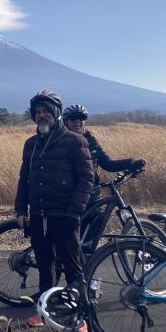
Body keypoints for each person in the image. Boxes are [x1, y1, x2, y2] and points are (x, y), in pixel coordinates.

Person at [14, 90, 94, 329]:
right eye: (37, 112)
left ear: (57, 113)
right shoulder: (31, 144)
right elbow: (24, 178)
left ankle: (81, 317)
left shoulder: (75, 141)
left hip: (65, 214)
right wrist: (21, 210)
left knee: (72, 268)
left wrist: (75, 211)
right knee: (45, 264)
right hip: (39, 214)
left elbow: (86, 179)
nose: (42, 115)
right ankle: (44, 312)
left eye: (46, 111)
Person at [63, 104, 146, 253]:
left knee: (96, 225)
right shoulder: (61, 141)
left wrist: (131, 161)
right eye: (73, 118)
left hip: (92, 197)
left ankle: (85, 263)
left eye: (81, 118)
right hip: (69, 197)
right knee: (69, 236)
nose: (78, 121)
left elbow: (108, 164)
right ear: (65, 121)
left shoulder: (91, 140)